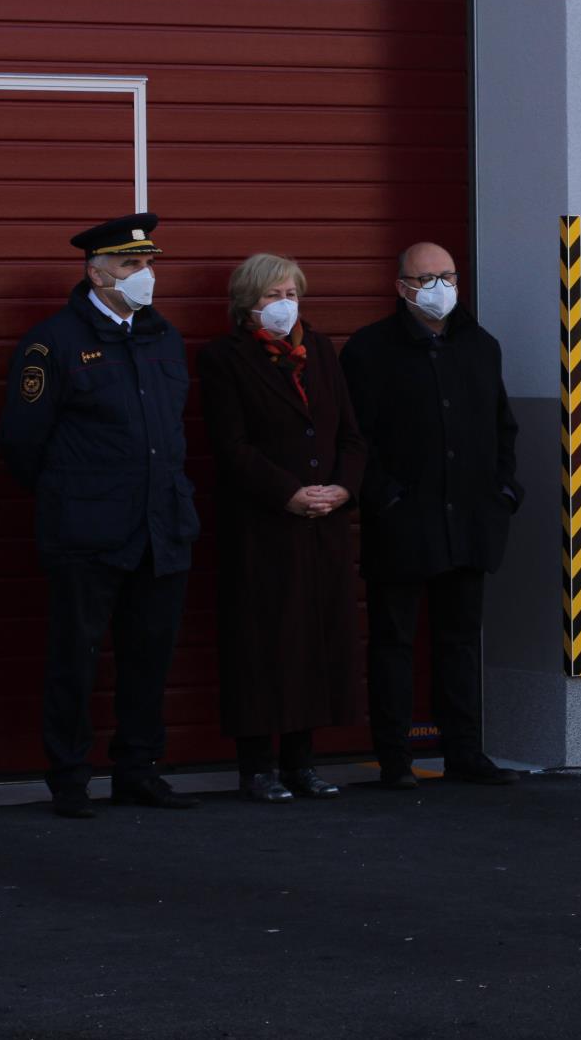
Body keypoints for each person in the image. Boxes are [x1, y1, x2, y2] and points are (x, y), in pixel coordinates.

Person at [0, 213, 201, 818]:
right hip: (87, 533)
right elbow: (22, 442)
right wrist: (73, 498)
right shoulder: (53, 342)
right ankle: (69, 778)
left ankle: (138, 770)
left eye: (148, 264)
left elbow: (172, 430)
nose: (145, 276)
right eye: (130, 265)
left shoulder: (162, 336)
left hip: (159, 527)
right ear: (96, 272)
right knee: (75, 658)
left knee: (149, 657)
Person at [339, 242, 524, 789]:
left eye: (447, 276)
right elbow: (354, 439)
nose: (439, 288)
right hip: (401, 526)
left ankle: (464, 751)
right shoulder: (369, 350)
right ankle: (394, 759)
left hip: (468, 522)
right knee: (393, 643)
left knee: (460, 641)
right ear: (402, 287)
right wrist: (385, 498)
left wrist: (505, 492)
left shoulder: (481, 346)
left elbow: (502, 427)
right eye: (426, 278)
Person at [197, 254, 366, 803]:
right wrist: (287, 493)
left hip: (323, 527)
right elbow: (231, 446)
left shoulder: (318, 350)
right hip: (263, 528)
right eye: (272, 294)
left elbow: (349, 434)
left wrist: (342, 489)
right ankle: (257, 767)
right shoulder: (223, 358)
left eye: (291, 292)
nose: (284, 304)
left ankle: (302, 763)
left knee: (314, 642)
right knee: (262, 645)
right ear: (247, 302)